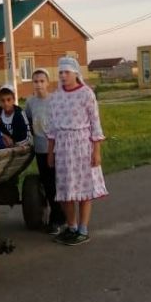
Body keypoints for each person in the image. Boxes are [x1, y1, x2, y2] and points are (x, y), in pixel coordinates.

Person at [46, 56, 107, 245]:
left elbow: (95, 124)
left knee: (83, 188)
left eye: (66, 72)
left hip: (82, 144)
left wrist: (96, 151)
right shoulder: (55, 97)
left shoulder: (86, 94)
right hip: (63, 146)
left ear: (75, 73)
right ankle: (71, 227)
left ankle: (83, 229)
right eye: (61, 73)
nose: (63, 76)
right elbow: (52, 127)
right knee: (65, 189)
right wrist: (51, 152)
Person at [24, 68, 66, 233]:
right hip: (41, 149)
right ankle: (56, 217)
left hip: (57, 149)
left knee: (58, 184)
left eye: (42, 81)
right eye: (36, 81)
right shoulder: (30, 102)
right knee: (48, 185)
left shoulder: (55, 100)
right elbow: (28, 121)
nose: (39, 84)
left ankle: (59, 218)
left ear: (48, 83)